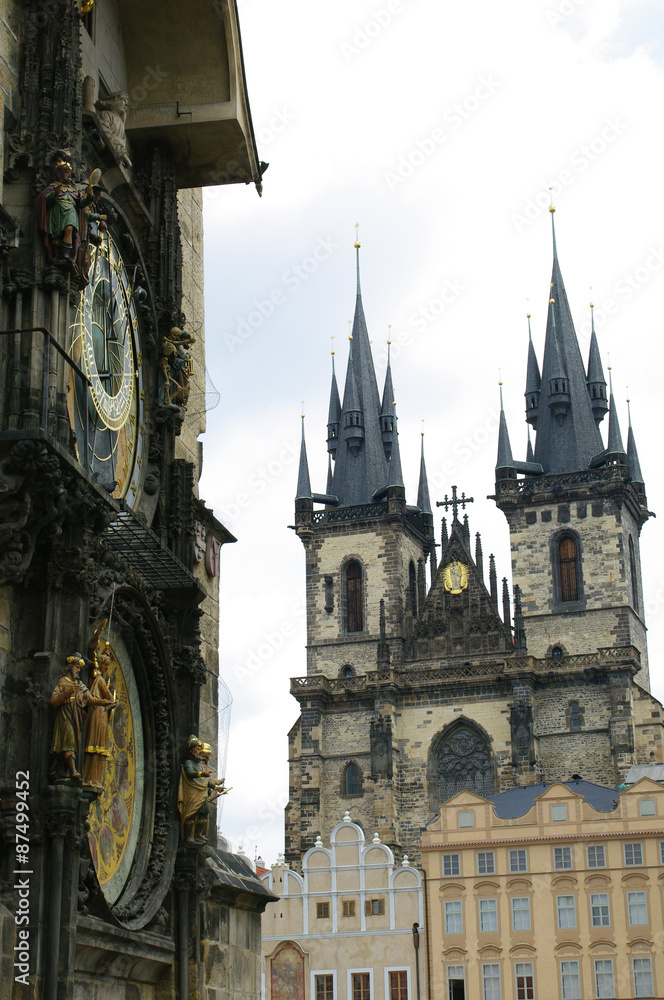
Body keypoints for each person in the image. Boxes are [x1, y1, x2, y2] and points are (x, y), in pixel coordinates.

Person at [50, 652, 113, 780]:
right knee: (69, 744)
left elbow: (90, 699)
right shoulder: (62, 682)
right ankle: (73, 771)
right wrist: (68, 692)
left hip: (75, 719)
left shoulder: (79, 685)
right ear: (70, 667)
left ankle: (53, 771)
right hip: (63, 718)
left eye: (79, 668)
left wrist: (103, 702)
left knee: (66, 746)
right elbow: (53, 701)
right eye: (76, 667)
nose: (78, 670)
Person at [38, 156, 95, 261]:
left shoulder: (72, 190)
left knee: (69, 229)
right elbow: (46, 200)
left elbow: (81, 203)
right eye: (67, 172)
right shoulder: (53, 187)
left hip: (71, 212)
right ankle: (56, 253)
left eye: (69, 172)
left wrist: (90, 196)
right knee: (56, 237)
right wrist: (55, 193)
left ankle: (66, 254)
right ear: (60, 173)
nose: (69, 175)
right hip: (58, 212)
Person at [83, 621, 117, 788]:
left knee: (98, 748)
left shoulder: (101, 679)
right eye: (106, 665)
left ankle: (93, 779)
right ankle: (91, 779)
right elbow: (110, 698)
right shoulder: (99, 679)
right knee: (95, 747)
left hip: (101, 714)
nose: (106, 668)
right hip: (97, 713)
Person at [177, 736, 223, 846]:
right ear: (192, 751)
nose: (200, 751)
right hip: (192, 793)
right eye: (197, 749)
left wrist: (216, 788)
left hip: (201, 792)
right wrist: (201, 774)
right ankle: (189, 836)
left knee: (204, 812)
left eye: (199, 749)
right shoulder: (189, 763)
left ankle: (198, 833)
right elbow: (189, 774)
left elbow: (205, 781)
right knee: (192, 814)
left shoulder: (199, 765)